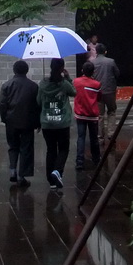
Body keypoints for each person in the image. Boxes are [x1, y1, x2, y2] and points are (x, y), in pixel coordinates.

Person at [0, 60, 40, 188]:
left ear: (14, 70)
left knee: (13, 146)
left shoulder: (7, 85)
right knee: (26, 148)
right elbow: (37, 106)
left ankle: (12, 170)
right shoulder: (33, 86)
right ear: (26, 70)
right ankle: (22, 175)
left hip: (11, 121)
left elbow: (2, 104)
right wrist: (37, 122)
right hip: (27, 122)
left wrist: (4, 117)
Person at [37, 58, 75, 189]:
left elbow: (38, 101)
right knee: (64, 149)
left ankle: (51, 180)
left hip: (47, 122)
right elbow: (74, 92)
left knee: (51, 150)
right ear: (61, 68)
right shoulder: (64, 83)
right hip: (62, 122)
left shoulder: (42, 84)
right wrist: (68, 77)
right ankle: (57, 171)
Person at [73, 60, 101, 170]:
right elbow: (99, 98)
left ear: (82, 71)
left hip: (80, 114)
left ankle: (79, 161)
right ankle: (96, 159)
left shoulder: (76, 82)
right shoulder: (97, 84)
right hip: (92, 114)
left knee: (81, 138)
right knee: (94, 138)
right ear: (93, 72)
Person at [92, 43, 119, 143]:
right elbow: (117, 73)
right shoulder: (111, 62)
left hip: (97, 91)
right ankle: (111, 134)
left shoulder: (92, 63)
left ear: (96, 52)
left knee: (100, 115)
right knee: (111, 111)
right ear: (105, 52)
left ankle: (100, 136)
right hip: (110, 90)